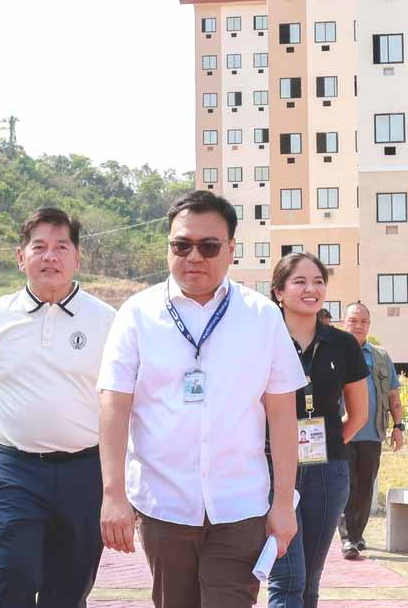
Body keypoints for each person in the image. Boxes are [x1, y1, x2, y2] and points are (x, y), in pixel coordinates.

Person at [97, 190, 305, 608]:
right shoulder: (137, 314)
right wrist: (113, 494)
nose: (194, 257)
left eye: (208, 246)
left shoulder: (262, 316)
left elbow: (283, 417)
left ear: (231, 249)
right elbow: (114, 408)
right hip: (163, 504)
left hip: (240, 504)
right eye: (181, 246)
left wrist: (284, 505)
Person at [0, 207, 117, 607]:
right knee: (12, 575)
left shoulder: (108, 322)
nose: (50, 256)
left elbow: (122, 407)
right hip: (14, 470)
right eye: (39, 247)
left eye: (61, 247)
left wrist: (121, 488)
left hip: (85, 472)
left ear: (77, 258)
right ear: (20, 256)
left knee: (69, 591)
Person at [266, 253, 368, 608]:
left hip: (327, 472)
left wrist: (329, 447)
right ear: (279, 291)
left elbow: (359, 414)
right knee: (286, 578)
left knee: (309, 580)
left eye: (318, 282)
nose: (311, 289)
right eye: (299, 282)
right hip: (270, 469)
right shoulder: (262, 339)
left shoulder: (343, 344)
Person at [338, 302, 405, 560]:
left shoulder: (380, 356)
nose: (358, 325)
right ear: (344, 323)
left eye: (364, 321)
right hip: (342, 433)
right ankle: (349, 539)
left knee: (365, 487)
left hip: (372, 433)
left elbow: (393, 396)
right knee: (346, 485)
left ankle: (357, 534)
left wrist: (398, 426)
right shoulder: (334, 353)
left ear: (369, 325)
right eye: (353, 320)